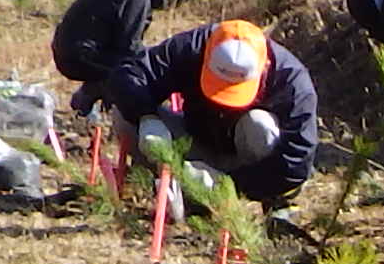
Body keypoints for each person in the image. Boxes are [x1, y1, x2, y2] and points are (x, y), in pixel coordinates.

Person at [103, 16, 321, 211]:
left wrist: (230, 184)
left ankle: (257, 206)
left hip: (247, 163)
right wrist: (147, 117)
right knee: (124, 117)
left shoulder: (292, 82)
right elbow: (130, 75)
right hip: (194, 144)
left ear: (264, 69)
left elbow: (295, 163)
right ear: (206, 57)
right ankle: (177, 187)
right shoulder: (192, 47)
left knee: (260, 125)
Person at [51, 0, 182, 112]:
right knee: (132, 67)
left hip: (73, 48)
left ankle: (94, 98)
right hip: (76, 54)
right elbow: (129, 46)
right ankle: (100, 105)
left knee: (128, 64)